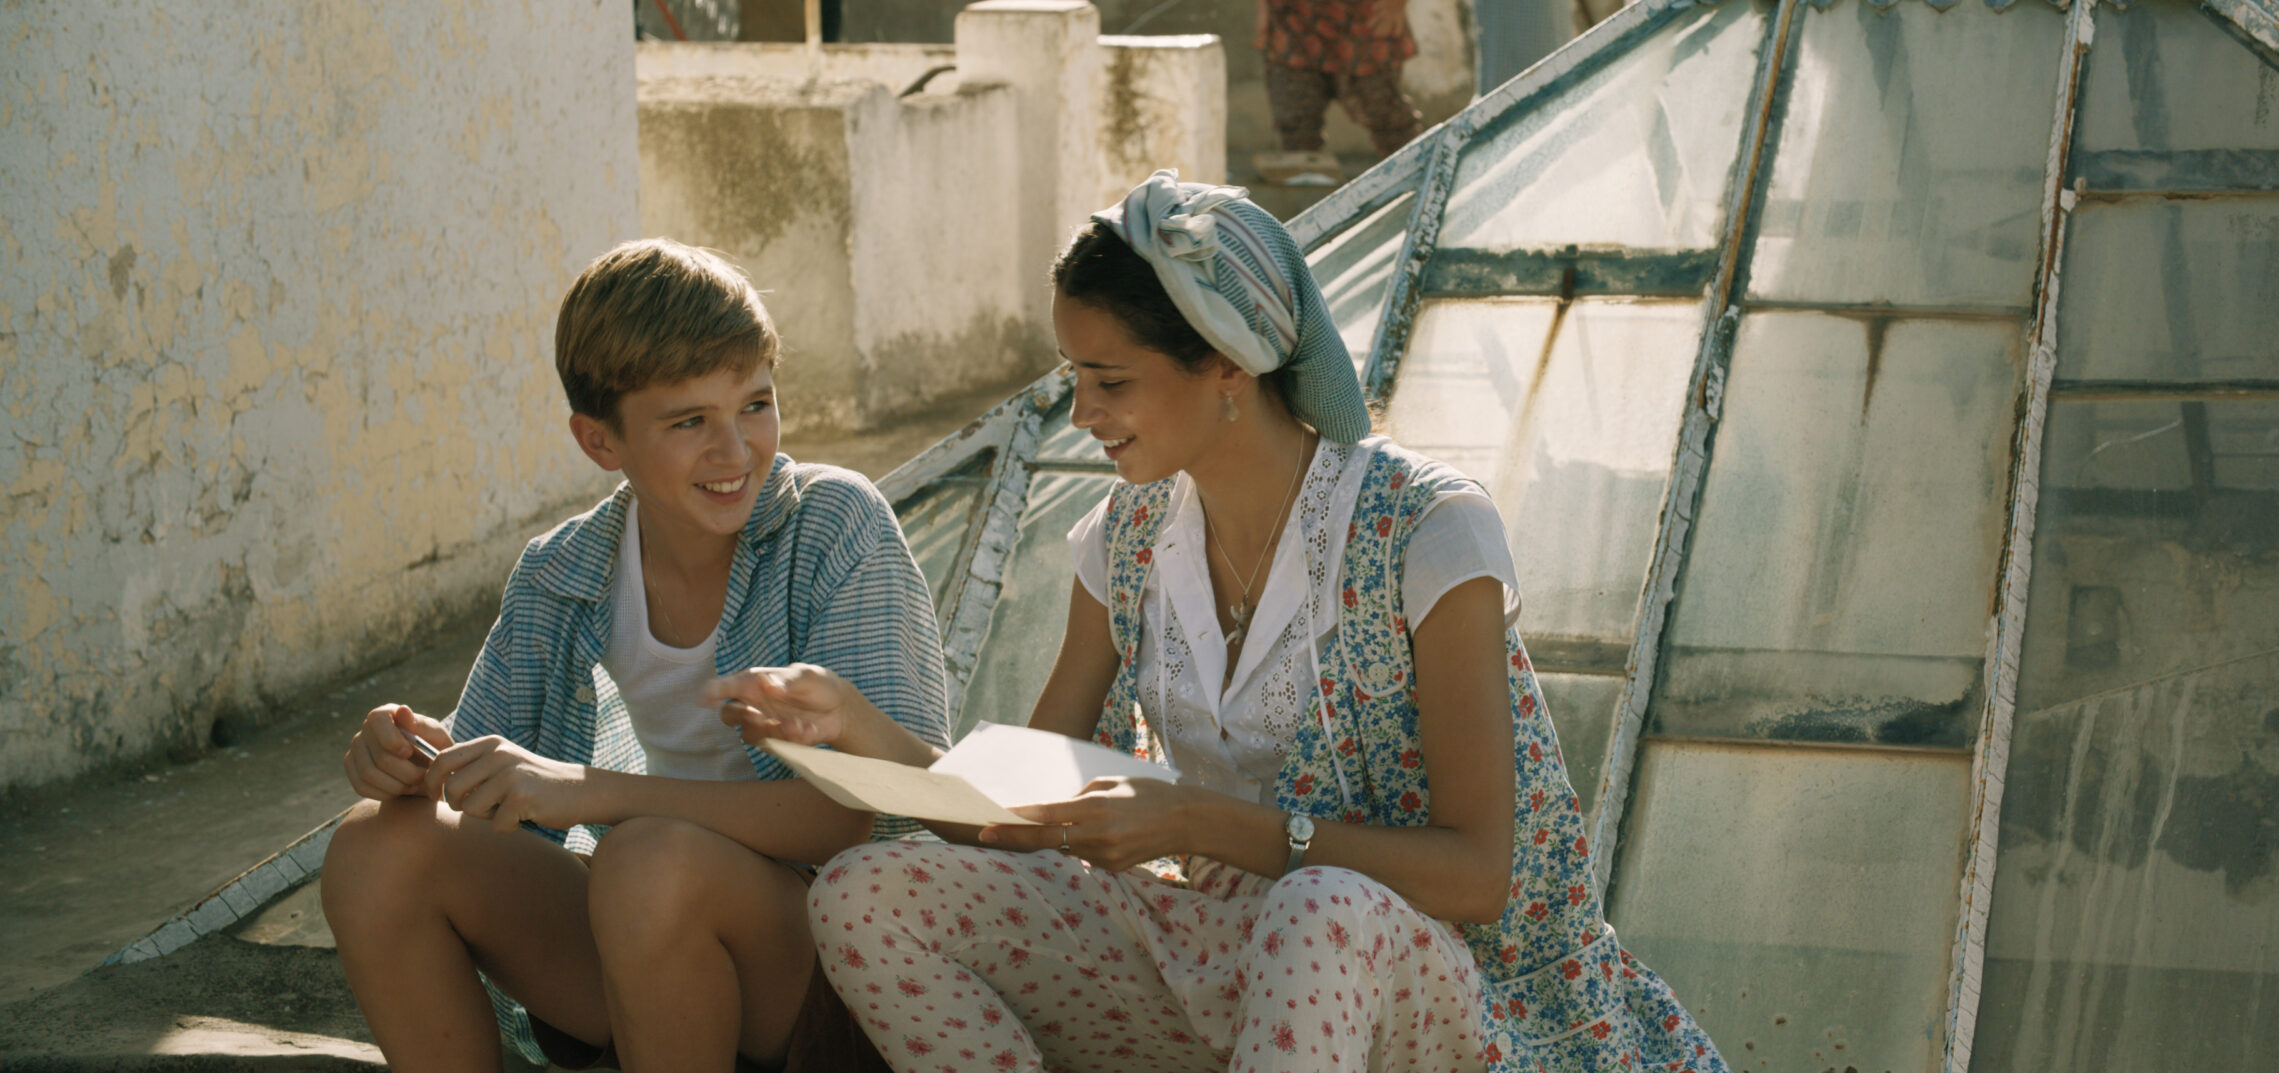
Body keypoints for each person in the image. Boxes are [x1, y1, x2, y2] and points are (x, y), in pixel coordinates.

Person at [711, 172, 1725, 1072]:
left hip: (1444, 987)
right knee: (863, 890)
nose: (1082, 413)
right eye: (1074, 379)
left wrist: (1198, 821)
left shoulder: (1425, 529)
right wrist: (853, 727)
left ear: (1228, 366)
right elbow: (1020, 811)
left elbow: (1476, 871)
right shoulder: (1127, 536)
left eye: (1108, 381)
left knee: (1318, 907)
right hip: (1205, 949)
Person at [319, 238, 947, 1073]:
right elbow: (484, 795)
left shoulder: (834, 525)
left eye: (755, 404)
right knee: (376, 845)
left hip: (840, 971)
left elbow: (852, 815)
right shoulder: (564, 572)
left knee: (646, 855)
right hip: (643, 936)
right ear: (600, 442)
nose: (737, 450)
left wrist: (594, 794)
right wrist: (410, 756)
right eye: (690, 421)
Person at [1257, 0, 1424, 158]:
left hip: (1363, 22)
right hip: (1293, 21)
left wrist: (1396, 3)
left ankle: (1421, 175)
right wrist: (1264, 9)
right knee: (1296, 123)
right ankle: (1300, 179)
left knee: (1386, 114)